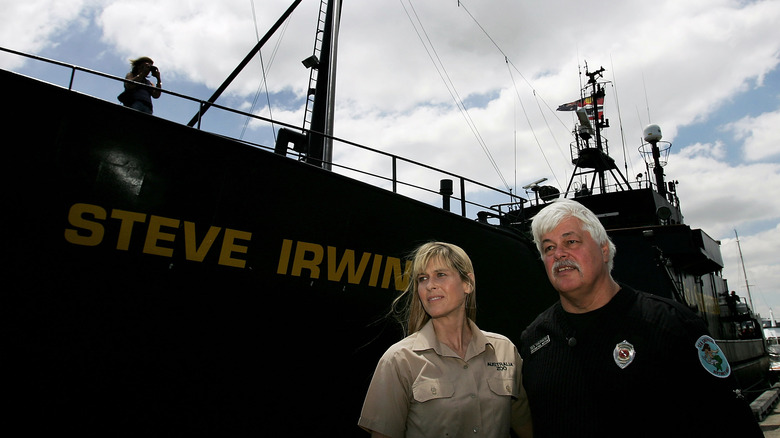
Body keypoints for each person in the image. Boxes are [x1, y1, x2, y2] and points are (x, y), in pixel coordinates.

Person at [519, 198, 762, 437]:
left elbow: (734, 423)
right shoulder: (535, 339)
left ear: (604, 250)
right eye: (548, 247)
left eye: (571, 242)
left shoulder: (672, 324)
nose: (559, 254)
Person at [358, 242, 532, 438]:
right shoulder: (400, 359)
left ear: (467, 283)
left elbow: (526, 426)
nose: (430, 285)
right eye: (422, 279)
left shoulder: (504, 350)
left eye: (440, 274)